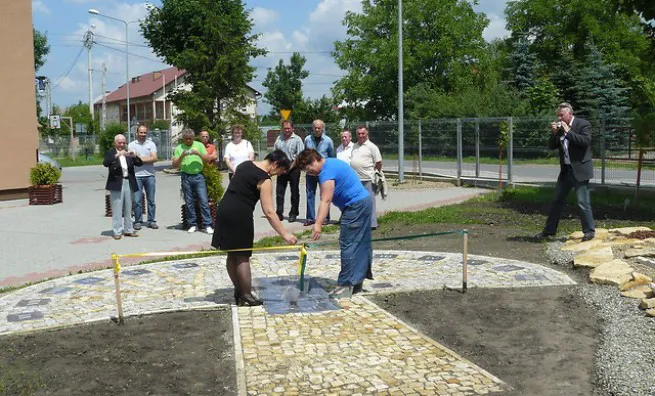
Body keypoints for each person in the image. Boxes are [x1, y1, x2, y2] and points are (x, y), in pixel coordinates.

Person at [212, 150, 298, 306]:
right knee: (243, 256)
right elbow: (270, 212)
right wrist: (285, 234)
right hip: (240, 215)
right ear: (275, 164)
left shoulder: (245, 165)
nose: (278, 175)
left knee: (232, 254)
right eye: (280, 172)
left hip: (224, 210)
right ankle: (246, 295)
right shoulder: (264, 179)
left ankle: (239, 291)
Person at [295, 148, 373, 296]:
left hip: (355, 206)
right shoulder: (330, 163)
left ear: (314, 160)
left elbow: (326, 200)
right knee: (360, 242)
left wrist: (317, 224)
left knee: (348, 243)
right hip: (362, 202)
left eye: (308, 168)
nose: (309, 172)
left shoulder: (326, 172)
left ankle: (346, 284)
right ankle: (357, 281)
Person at [536, 103, 595, 241]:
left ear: (569, 113)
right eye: (558, 115)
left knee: (582, 202)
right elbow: (552, 146)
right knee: (557, 201)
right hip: (566, 171)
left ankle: (589, 231)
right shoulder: (561, 128)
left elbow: (585, 142)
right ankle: (549, 231)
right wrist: (554, 134)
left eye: (562, 115)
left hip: (580, 170)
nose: (559, 118)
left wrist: (568, 132)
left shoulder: (583, 124)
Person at [172, 128, 214, 234]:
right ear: (183, 138)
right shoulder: (179, 148)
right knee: (189, 202)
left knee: (203, 201)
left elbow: (207, 159)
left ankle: (208, 224)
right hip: (186, 176)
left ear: (193, 137)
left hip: (198, 176)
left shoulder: (199, 145)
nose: (188, 141)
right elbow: (174, 164)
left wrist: (198, 154)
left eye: (190, 139)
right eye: (186, 139)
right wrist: (182, 155)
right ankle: (193, 224)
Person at [103, 134, 143, 240]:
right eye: (119, 143)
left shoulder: (128, 153)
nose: (121, 145)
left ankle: (129, 230)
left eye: (123, 143)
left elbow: (139, 163)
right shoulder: (111, 152)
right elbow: (106, 163)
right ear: (115, 143)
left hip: (128, 182)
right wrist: (117, 155)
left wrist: (134, 156)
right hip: (116, 183)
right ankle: (117, 230)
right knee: (117, 208)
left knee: (129, 208)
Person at [303, 119, 335, 226]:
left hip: (323, 172)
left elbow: (331, 157)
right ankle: (310, 218)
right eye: (315, 128)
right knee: (309, 195)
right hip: (310, 172)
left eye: (319, 128)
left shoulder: (328, 141)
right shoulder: (307, 139)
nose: (317, 130)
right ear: (312, 128)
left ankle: (325, 218)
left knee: (325, 195)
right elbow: (305, 154)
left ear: (322, 129)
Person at [350, 125, 383, 229]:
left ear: (367, 134)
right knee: (358, 203)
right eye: (358, 134)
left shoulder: (372, 147)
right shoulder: (354, 146)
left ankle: (372, 224)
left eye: (363, 133)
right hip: (356, 179)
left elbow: (378, 162)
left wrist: (375, 172)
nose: (361, 136)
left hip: (368, 179)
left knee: (369, 202)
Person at [128, 125, 158, 230]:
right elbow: (132, 160)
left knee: (151, 200)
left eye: (145, 133)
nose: (143, 135)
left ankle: (151, 221)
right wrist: (145, 159)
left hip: (150, 175)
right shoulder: (131, 145)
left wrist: (139, 159)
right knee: (137, 200)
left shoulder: (151, 144)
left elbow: (154, 158)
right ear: (137, 133)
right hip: (137, 176)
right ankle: (138, 221)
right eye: (141, 133)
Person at [273, 120, 304, 222]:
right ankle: (279, 213)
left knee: (294, 192)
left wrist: (289, 168)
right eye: (285, 128)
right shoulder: (279, 139)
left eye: (288, 128)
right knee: (279, 192)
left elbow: (299, 156)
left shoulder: (297, 140)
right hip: (281, 169)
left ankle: (293, 213)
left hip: (293, 168)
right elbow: (275, 153)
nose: (286, 130)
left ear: (292, 128)